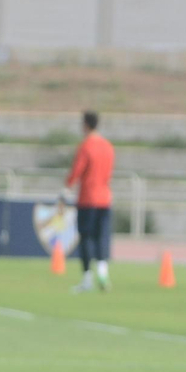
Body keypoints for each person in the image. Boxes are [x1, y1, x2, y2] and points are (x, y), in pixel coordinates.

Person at [65, 110, 115, 293]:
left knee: (86, 237)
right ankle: (103, 272)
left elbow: (77, 170)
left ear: (85, 124)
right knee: (101, 236)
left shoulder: (86, 146)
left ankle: (87, 278)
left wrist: (67, 186)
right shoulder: (108, 146)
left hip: (88, 199)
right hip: (105, 198)